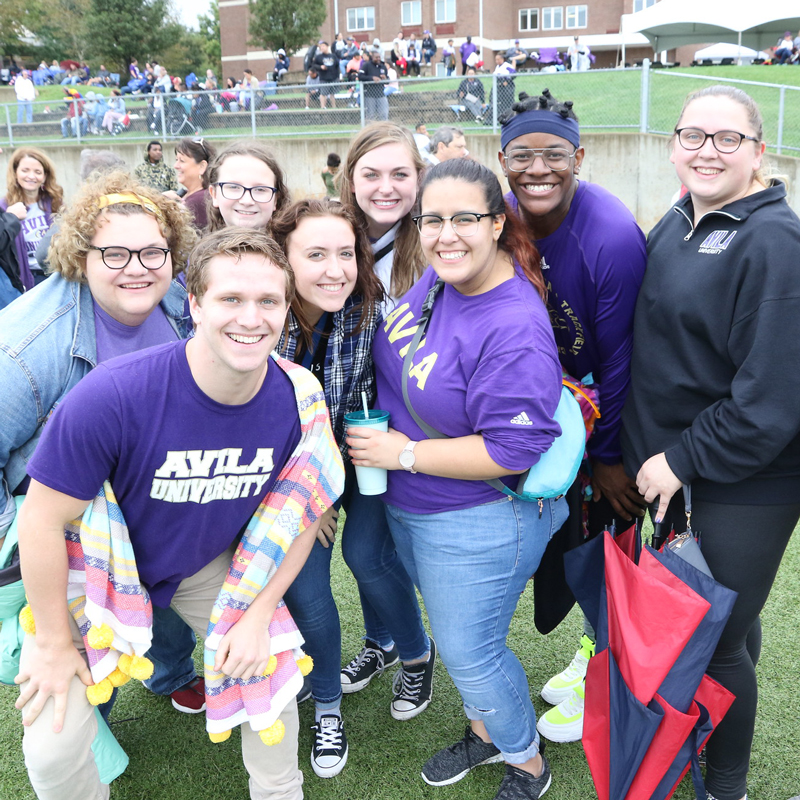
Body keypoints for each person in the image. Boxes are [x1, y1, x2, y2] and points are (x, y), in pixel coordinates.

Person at [14, 221, 341, 800]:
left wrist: (261, 613)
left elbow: (304, 511)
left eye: (268, 301)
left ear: (287, 310)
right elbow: (39, 519)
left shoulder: (298, 395)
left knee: (272, 680)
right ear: (193, 303)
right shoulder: (113, 393)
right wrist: (55, 644)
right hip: (96, 568)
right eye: (230, 299)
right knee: (53, 739)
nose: (251, 317)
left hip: (199, 566)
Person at [353, 157, 568, 800]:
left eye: (465, 219)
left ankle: (527, 762)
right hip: (414, 505)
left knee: (470, 651)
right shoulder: (443, 280)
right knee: (461, 637)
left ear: (498, 224)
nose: (446, 234)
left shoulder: (513, 324)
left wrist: (404, 455)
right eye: (433, 220)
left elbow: (515, 449)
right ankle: (483, 729)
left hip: (473, 517)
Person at [623, 85, 800, 800]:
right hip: (677, 475)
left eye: (728, 138)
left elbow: (773, 399)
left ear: (759, 152)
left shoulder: (774, 242)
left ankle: (723, 787)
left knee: (714, 641)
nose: (707, 151)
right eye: (693, 135)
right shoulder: (681, 217)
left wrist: (682, 458)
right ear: (672, 145)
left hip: (743, 480)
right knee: (730, 622)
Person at [0, 171, 205, 711]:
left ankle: (172, 671)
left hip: (149, 492)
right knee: (84, 651)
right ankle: (97, 720)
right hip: (66, 512)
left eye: (152, 253)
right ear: (80, 255)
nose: (136, 269)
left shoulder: (179, 304)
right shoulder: (27, 347)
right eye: (114, 254)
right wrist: (19, 548)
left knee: (165, 587)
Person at [498, 90, 647, 743]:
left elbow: (621, 359)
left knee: (604, 550)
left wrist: (610, 456)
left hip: (603, 418)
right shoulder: (500, 218)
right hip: (540, 420)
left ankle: (607, 669)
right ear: (501, 160)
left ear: (579, 157)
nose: (538, 169)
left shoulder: (609, 234)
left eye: (554, 155)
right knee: (561, 550)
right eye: (522, 155)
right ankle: (593, 648)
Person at [272, 198, 418, 777]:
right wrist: (313, 501)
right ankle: (327, 708)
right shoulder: (263, 317)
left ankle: (412, 654)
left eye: (346, 254)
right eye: (315, 255)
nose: (335, 269)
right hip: (293, 481)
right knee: (306, 590)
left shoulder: (373, 309)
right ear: (283, 259)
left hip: (363, 459)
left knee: (368, 556)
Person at [339, 121, 426, 309]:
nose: (386, 189)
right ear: (352, 181)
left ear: (418, 180)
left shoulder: (435, 252)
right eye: (371, 175)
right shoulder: (320, 241)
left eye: (400, 175)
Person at [0, 147, 63, 291]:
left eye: (37, 172)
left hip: (55, 275)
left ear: (45, 176)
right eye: (25, 170)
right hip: (26, 278)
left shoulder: (55, 203)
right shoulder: (5, 208)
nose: (31, 176)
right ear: (15, 173)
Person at [207, 139, 290, 233]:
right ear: (214, 194)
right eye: (234, 187)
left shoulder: (297, 246)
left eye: (260, 189)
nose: (247, 201)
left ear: (275, 199)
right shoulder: (199, 247)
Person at [173, 137, 217, 231]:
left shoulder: (199, 200)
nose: (175, 166)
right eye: (176, 160)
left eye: (182, 161)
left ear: (202, 166)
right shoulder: (190, 196)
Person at [358, 49, 389, 121]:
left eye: (379, 57)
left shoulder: (383, 66)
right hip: (369, 95)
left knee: (384, 114)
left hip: (381, 94)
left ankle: (384, 129)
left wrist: (385, 78)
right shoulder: (366, 65)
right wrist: (371, 78)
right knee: (370, 115)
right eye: (376, 57)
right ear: (372, 57)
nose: (378, 59)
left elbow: (387, 81)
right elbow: (360, 76)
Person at [314, 42, 340, 109]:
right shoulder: (318, 57)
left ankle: (334, 107)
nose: (322, 48)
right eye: (321, 46)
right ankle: (323, 107)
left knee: (332, 94)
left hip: (333, 78)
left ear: (327, 46)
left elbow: (337, 66)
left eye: (323, 46)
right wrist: (320, 67)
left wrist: (337, 77)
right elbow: (313, 65)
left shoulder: (333, 56)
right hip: (324, 78)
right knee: (323, 94)